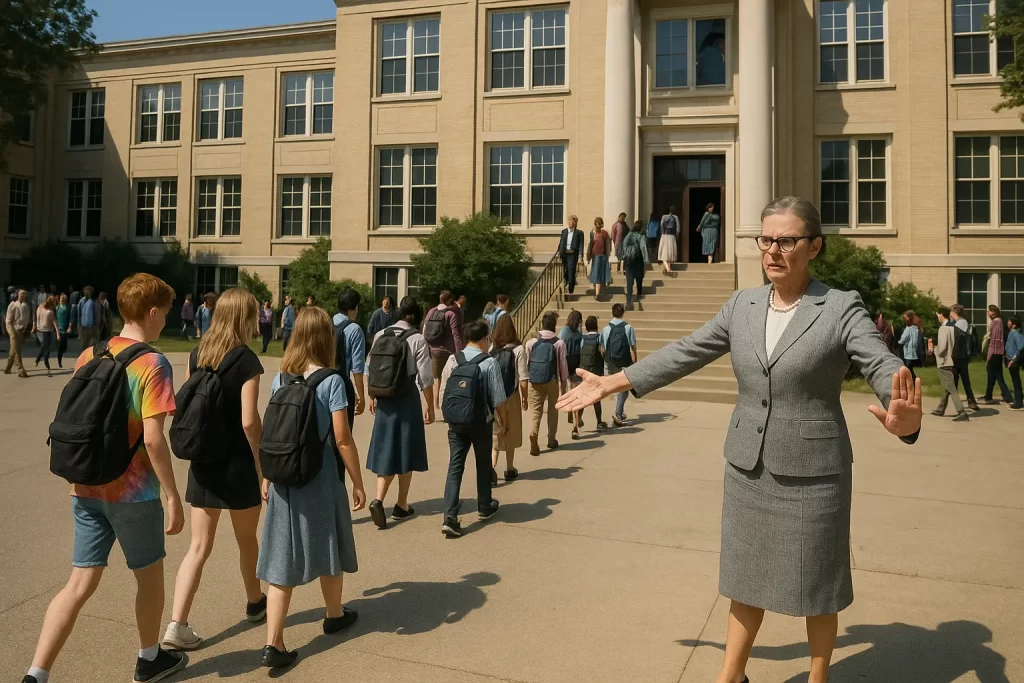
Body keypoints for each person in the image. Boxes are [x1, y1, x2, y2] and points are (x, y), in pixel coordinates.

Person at [557, 196, 923, 683]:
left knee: (819, 584)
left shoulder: (838, 306)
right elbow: (687, 350)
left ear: (814, 247)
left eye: (787, 240)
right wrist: (614, 381)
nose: (773, 250)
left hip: (814, 472)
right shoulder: (742, 305)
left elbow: (878, 359)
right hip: (748, 467)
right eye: (766, 239)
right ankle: (730, 676)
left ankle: (818, 677)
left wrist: (905, 415)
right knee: (744, 578)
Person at [23, 273, 187, 683]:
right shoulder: (152, 362)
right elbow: (153, 439)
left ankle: (36, 672)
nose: (165, 320)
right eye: (165, 313)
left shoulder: (91, 355)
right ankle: (150, 658)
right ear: (151, 313)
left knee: (78, 583)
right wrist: (172, 496)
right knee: (149, 578)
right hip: (133, 493)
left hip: (86, 485)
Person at [257, 306, 366, 669]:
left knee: (280, 559)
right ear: (326, 338)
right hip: (320, 478)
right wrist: (357, 481)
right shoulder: (332, 381)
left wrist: (266, 475)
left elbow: (274, 432)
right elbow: (342, 438)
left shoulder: (281, 378)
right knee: (329, 542)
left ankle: (274, 641)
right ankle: (333, 613)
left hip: (285, 480)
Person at [162, 288, 267, 651]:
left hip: (203, 461)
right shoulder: (247, 361)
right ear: (246, 316)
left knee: (198, 547)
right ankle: (255, 601)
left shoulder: (198, 353)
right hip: (237, 463)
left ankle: (177, 623)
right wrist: (261, 465)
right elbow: (250, 421)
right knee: (247, 540)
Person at [366, 296, 435, 529]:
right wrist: (431, 406)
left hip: (384, 399)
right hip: (406, 400)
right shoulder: (417, 339)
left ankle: (384, 500)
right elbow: (425, 378)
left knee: (386, 449)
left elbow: (371, 367)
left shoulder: (380, 335)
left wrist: (372, 395)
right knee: (405, 452)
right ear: (415, 316)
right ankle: (399, 503)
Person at [438, 319, 508, 538]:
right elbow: (497, 399)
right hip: (480, 421)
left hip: (456, 422)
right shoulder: (489, 362)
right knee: (483, 462)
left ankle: (449, 516)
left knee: (455, 466)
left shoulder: (452, 359)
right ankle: (484, 505)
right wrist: (503, 421)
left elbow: (443, 391)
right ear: (485, 338)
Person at [489, 314, 527, 483]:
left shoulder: (491, 349)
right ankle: (510, 468)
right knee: (510, 430)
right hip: (511, 394)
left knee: (495, 431)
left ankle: (491, 468)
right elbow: (523, 377)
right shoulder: (518, 349)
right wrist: (524, 397)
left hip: (493, 395)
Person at [525, 311, 569, 456]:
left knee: (536, 412)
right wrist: (563, 385)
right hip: (552, 380)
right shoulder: (559, 343)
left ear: (542, 325)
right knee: (552, 410)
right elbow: (563, 366)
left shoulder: (531, 343)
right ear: (554, 326)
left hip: (534, 380)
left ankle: (533, 433)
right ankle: (551, 439)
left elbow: (526, 364)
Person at [423, 291, 464, 410]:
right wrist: (459, 353)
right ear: (450, 300)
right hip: (447, 350)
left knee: (436, 378)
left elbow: (425, 329)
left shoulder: (431, 311)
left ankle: (435, 403)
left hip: (433, 349)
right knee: (448, 377)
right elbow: (455, 334)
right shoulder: (451, 314)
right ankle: (443, 403)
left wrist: (426, 347)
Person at [333, 288, 367, 427]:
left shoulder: (327, 322)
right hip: (341, 386)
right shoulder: (355, 329)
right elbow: (357, 369)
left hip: (321, 382)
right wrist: (361, 396)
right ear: (354, 308)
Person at [602, 303, 638, 427]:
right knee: (624, 387)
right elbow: (633, 346)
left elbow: (603, 348)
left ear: (612, 312)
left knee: (615, 386)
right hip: (624, 361)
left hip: (611, 361)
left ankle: (618, 412)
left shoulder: (606, 329)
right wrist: (635, 360)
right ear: (623, 313)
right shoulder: (628, 327)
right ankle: (618, 413)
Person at [931, 306, 969, 422]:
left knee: (951, 388)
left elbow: (942, 349)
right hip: (953, 361)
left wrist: (934, 349)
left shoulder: (943, 329)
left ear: (941, 314)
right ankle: (941, 408)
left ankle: (961, 412)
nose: (937, 316)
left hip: (944, 362)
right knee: (948, 386)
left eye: (937, 314)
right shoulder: (953, 327)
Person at [558, 311, 584, 439]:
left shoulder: (563, 331)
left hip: (565, 363)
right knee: (576, 392)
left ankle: (570, 410)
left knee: (568, 388)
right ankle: (575, 424)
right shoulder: (579, 334)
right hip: (576, 364)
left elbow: (558, 345)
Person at [579, 316, 608, 430]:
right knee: (596, 396)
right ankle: (599, 421)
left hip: (584, 369)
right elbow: (603, 351)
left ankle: (578, 419)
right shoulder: (599, 337)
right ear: (596, 326)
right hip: (595, 370)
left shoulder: (583, 338)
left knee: (583, 395)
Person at [981, 305, 1013, 405]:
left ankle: (990, 396)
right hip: (997, 353)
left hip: (995, 352)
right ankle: (1005, 396)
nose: (988, 313)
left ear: (994, 312)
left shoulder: (996, 322)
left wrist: (989, 354)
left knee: (993, 375)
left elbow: (995, 340)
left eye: (989, 311)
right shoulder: (998, 322)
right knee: (997, 375)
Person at [950, 304, 979, 411]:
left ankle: (951, 404)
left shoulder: (955, 327)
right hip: (966, 356)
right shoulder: (968, 325)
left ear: (954, 312)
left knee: (953, 381)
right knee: (965, 379)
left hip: (956, 356)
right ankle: (972, 402)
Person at [621, 220, 650, 309]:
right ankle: (639, 293)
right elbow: (643, 248)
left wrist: (623, 257)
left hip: (628, 261)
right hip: (638, 260)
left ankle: (629, 300)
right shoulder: (640, 236)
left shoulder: (629, 235)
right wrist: (646, 260)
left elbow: (624, 245)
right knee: (639, 277)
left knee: (629, 282)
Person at [5, 289, 30, 378]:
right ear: (17, 295)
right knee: (17, 351)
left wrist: (24, 328)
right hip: (12, 329)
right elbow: (8, 320)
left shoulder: (26, 306)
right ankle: (21, 370)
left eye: (24, 294)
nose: (22, 296)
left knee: (14, 350)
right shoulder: (12, 305)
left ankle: (8, 368)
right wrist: (11, 332)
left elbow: (26, 319)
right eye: (21, 294)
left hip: (21, 330)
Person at [558, 214, 585, 299]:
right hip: (564, 253)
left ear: (576, 223)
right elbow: (561, 242)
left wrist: (581, 255)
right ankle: (566, 280)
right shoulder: (564, 231)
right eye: (569, 220)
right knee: (565, 269)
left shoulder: (579, 233)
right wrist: (559, 251)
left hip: (572, 254)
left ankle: (570, 289)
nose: (571, 222)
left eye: (573, 221)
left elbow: (581, 244)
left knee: (571, 271)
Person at [587, 217, 612, 300]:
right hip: (595, 255)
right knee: (597, 272)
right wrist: (588, 256)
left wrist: (608, 254)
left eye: (599, 223)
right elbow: (590, 245)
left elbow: (608, 244)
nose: (597, 224)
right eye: (596, 223)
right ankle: (597, 293)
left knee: (603, 272)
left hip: (603, 255)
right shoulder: (592, 233)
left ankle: (603, 290)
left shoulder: (604, 233)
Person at [33, 295, 58, 376]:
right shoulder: (49, 310)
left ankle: (38, 360)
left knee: (45, 347)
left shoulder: (40, 307)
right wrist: (57, 333)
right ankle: (46, 365)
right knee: (45, 348)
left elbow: (54, 322)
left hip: (41, 329)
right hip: (45, 331)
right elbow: (54, 322)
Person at [1005, 317, 1024, 410]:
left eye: (1009, 321)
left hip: (1014, 361)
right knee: (1015, 380)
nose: (1007, 322)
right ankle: (1018, 400)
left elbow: (1020, 347)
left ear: (1014, 324)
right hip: (1011, 359)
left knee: (1016, 381)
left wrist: (1013, 360)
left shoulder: (1015, 333)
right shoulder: (1012, 333)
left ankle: (1018, 403)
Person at [897, 311, 921, 381]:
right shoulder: (916, 328)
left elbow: (903, 340)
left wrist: (897, 342)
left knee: (908, 370)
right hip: (914, 353)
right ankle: (914, 381)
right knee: (910, 370)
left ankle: (913, 382)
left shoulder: (908, 329)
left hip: (907, 353)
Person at [658, 206, 680, 276]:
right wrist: (677, 235)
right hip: (672, 235)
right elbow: (678, 227)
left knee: (664, 252)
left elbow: (661, 225)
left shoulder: (664, 216)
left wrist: (662, 233)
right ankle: (668, 268)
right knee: (671, 251)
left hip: (665, 235)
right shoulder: (675, 217)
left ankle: (668, 268)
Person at [55, 293, 72, 369]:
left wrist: (70, 326)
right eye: (61, 298)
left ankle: (60, 355)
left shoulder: (67, 307)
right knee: (60, 348)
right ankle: (59, 362)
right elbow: (54, 318)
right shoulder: (57, 307)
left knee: (65, 347)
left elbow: (70, 317)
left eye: (64, 298)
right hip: (59, 329)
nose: (62, 299)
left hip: (65, 329)